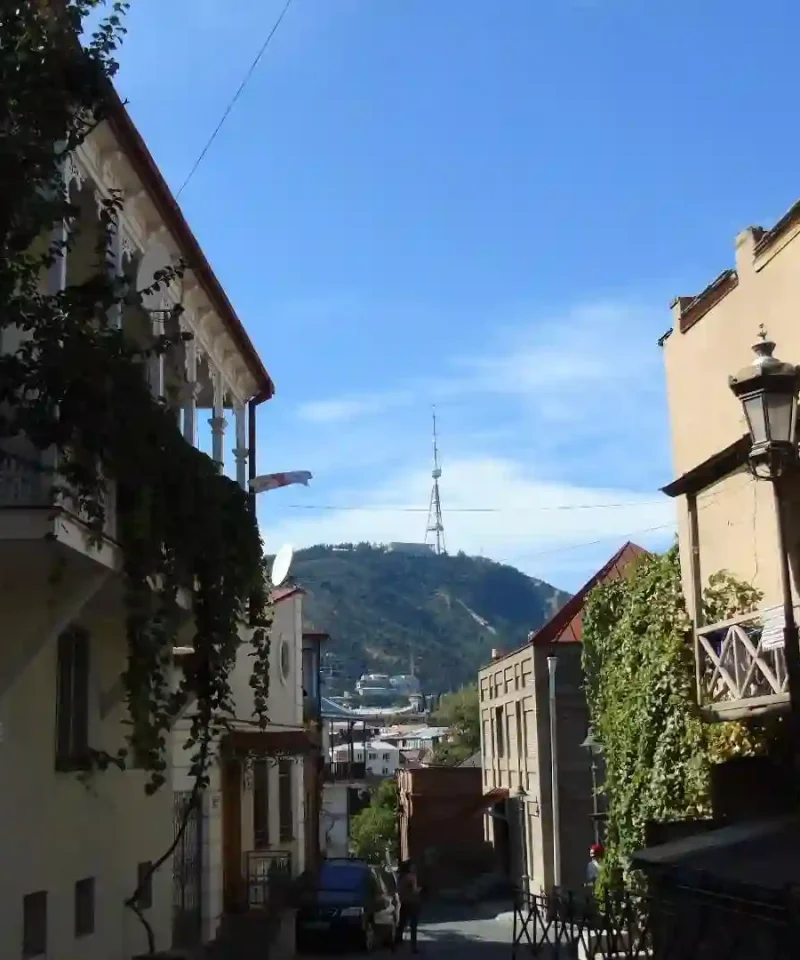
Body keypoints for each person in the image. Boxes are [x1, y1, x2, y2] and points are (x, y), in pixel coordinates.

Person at [395, 860, 421, 953]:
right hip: (413, 903)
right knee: (413, 926)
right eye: (413, 866)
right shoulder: (412, 877)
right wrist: (420, 889)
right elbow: (414, 891)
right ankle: (413, 947)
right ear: (409, 867)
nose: (414, 868)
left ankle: (396, 945)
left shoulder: (401, 877)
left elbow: (398, 890)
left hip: (404, 903)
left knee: (401, 925)